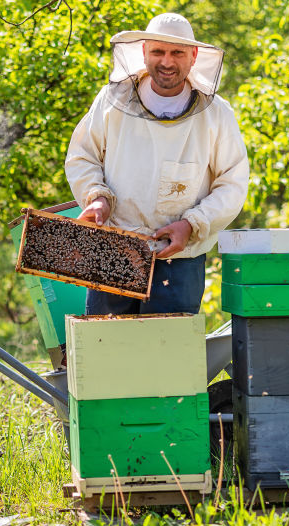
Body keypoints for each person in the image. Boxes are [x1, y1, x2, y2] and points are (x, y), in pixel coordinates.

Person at [65, 12, 249, 315]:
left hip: (179, 258)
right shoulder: (112, 100)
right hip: (113, 247)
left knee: (168, 355)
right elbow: (83, 156)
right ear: (143, 52)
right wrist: (97, 198)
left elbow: (233, 182)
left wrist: (191, 224)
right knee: (105, 350)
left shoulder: (217, 114)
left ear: (193, 56)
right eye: (158, 51)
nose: (167, 62)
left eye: (177, 52)